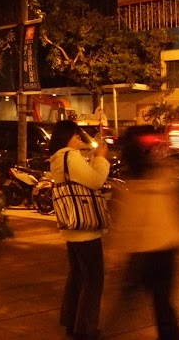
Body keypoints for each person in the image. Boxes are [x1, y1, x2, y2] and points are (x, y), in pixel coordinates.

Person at [110, 125, 179, 340]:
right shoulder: (166, 172)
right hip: (168, 247)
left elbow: (128, 220)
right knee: (162, 302)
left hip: (144, 251)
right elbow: (176, 209)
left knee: (129, 301)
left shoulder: (132, 182)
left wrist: (117, 251)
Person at [48, 120, 110, 340]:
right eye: (75, 136)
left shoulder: (57, 159)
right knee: (94, 278)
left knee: (77, 276)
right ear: (67, 137)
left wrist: (94, 158)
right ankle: (85, 328)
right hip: (86, 228)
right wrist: (101, 159)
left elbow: (82, 178)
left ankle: (71, 320)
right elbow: (96, 180)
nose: (78, 140)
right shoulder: (70, 156)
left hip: (72, 225)